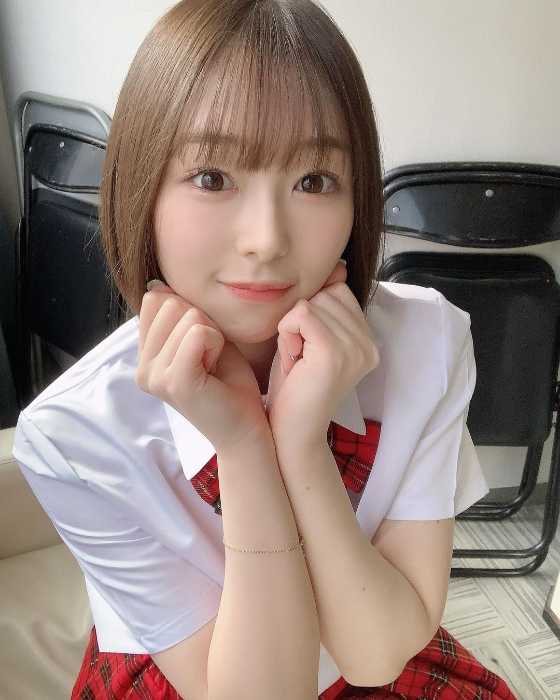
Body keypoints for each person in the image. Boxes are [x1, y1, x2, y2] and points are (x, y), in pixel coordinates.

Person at [11, 0, 518, 698]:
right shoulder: (75, 432)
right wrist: (245, 444)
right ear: (141, 191)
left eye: (314, 181)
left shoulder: (427, 341)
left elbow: (377, 658)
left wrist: (302, 444)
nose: (267, 239)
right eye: (212, 177)